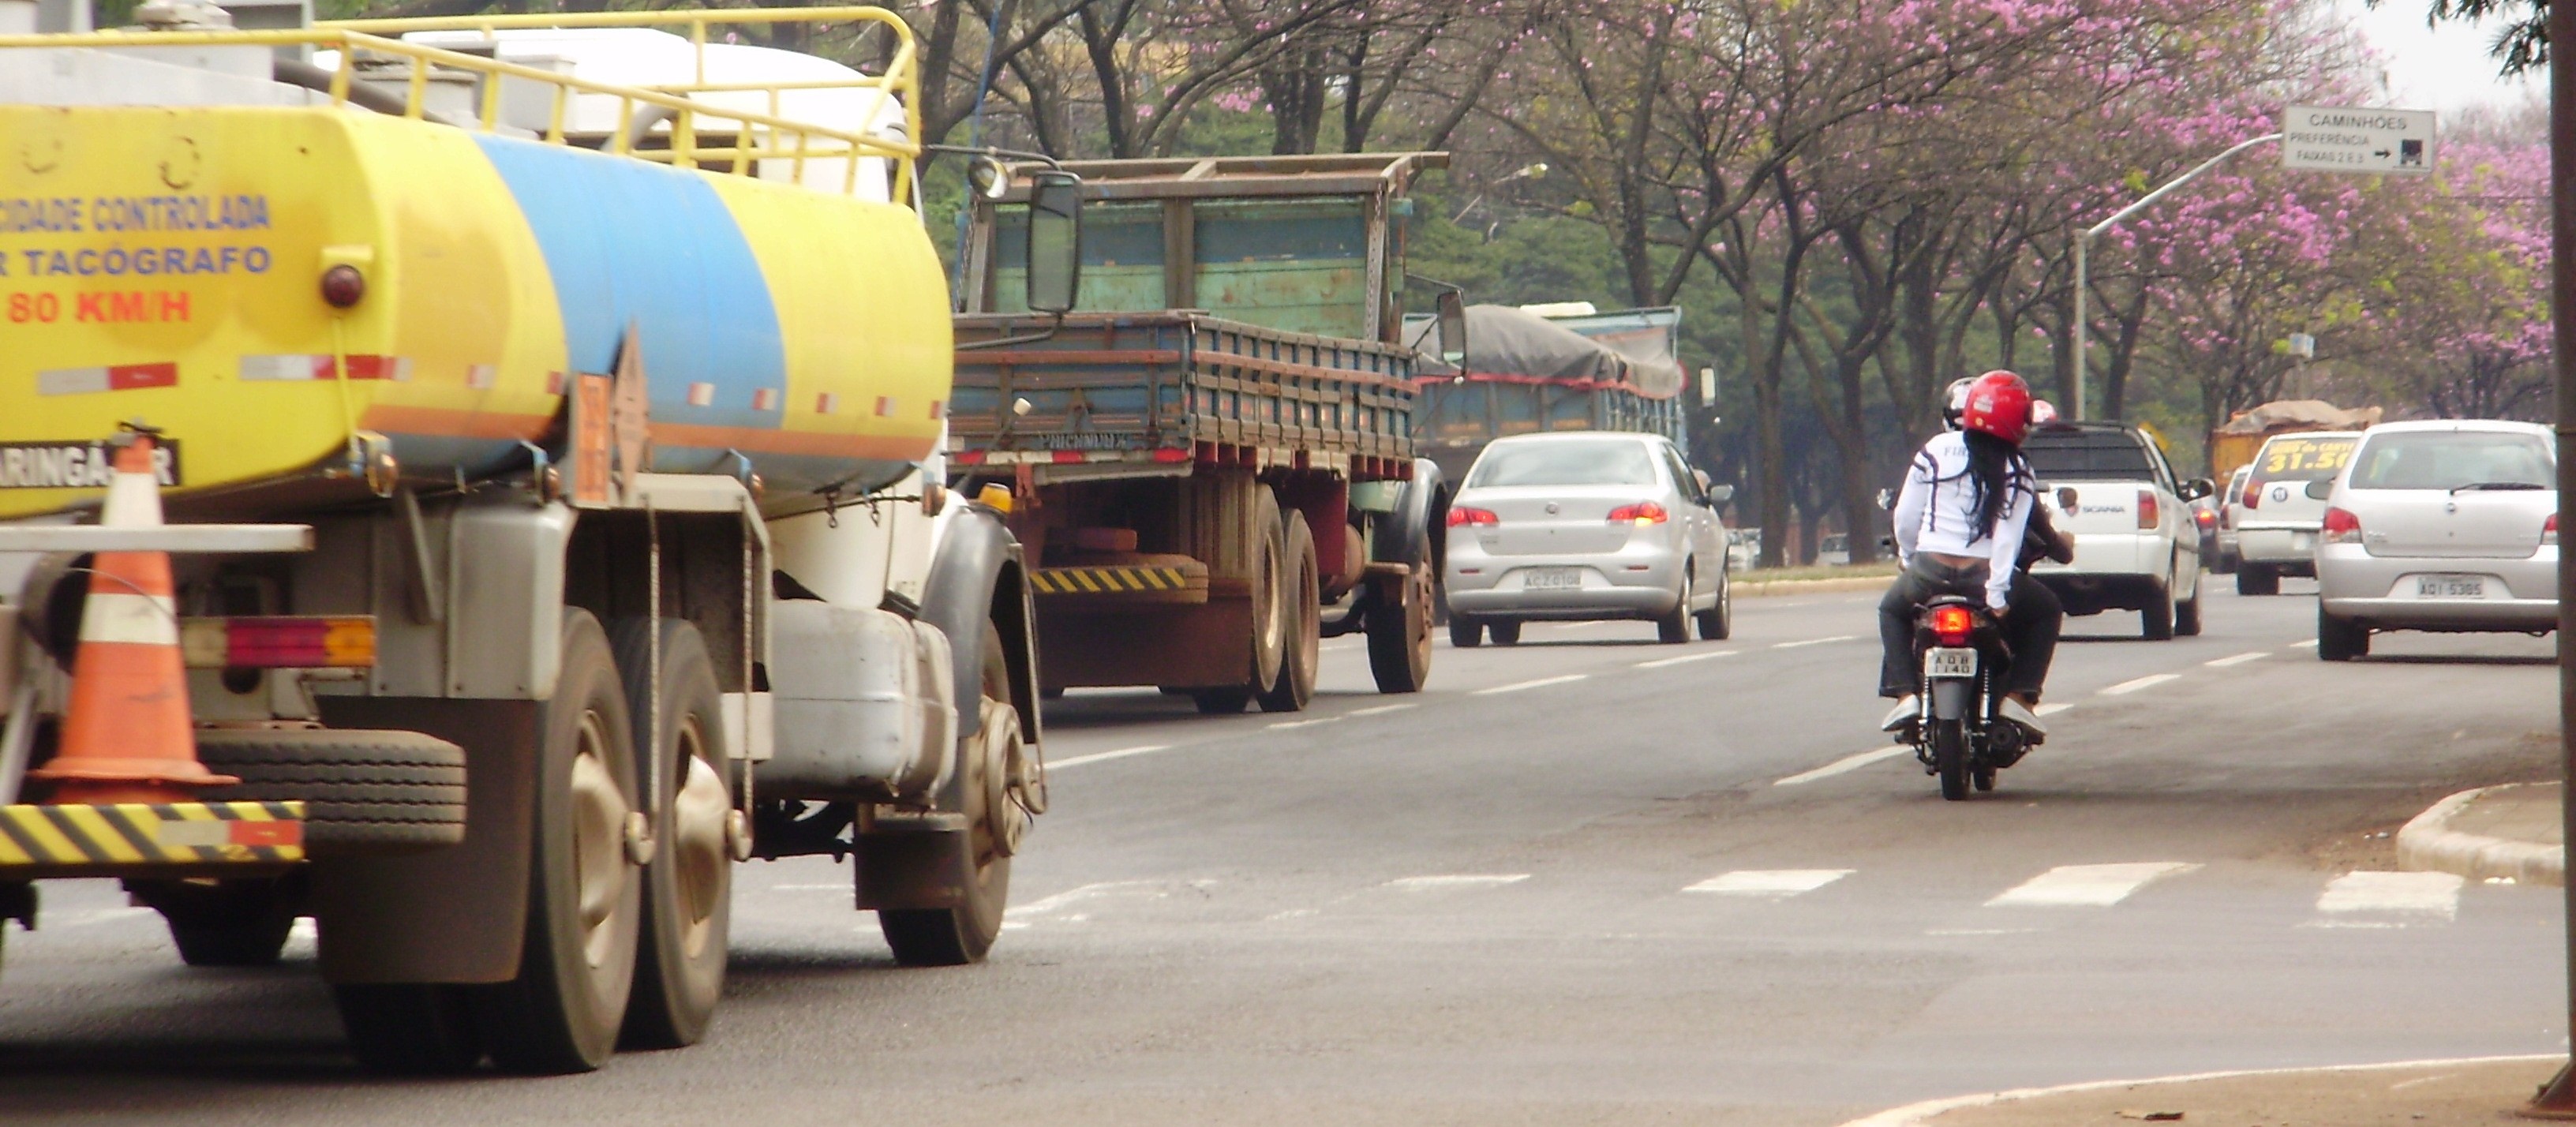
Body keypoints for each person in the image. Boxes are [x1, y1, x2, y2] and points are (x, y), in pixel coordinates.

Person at [1877, 370, 2048, 736]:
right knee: (2046, 610)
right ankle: (2019, 698)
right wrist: (1997, 595)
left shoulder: (1935, 450)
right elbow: (2008, 538)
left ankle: (1905, 694)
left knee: (1892, 609)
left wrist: (1909, 559)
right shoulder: (2019, 469)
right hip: (1981, 578)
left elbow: (1905, 517)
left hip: (1929, 571)